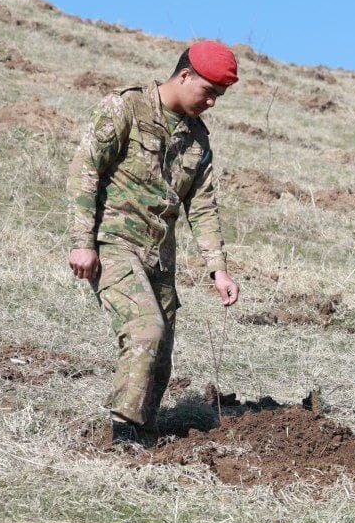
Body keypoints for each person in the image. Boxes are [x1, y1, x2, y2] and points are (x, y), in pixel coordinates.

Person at [66, 41, 240, 442]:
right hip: (114, 243)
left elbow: (203, 205)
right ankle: (124, 436)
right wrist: (82, 242)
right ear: (184, 76)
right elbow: (85, 170)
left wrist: (219, 269)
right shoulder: (125, 108)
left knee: (161, 356)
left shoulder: (198, 139)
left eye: (220, 96)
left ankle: (144, 431)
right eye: (208, 91)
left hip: (160, 257)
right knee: (146, 331)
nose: (212, 102)